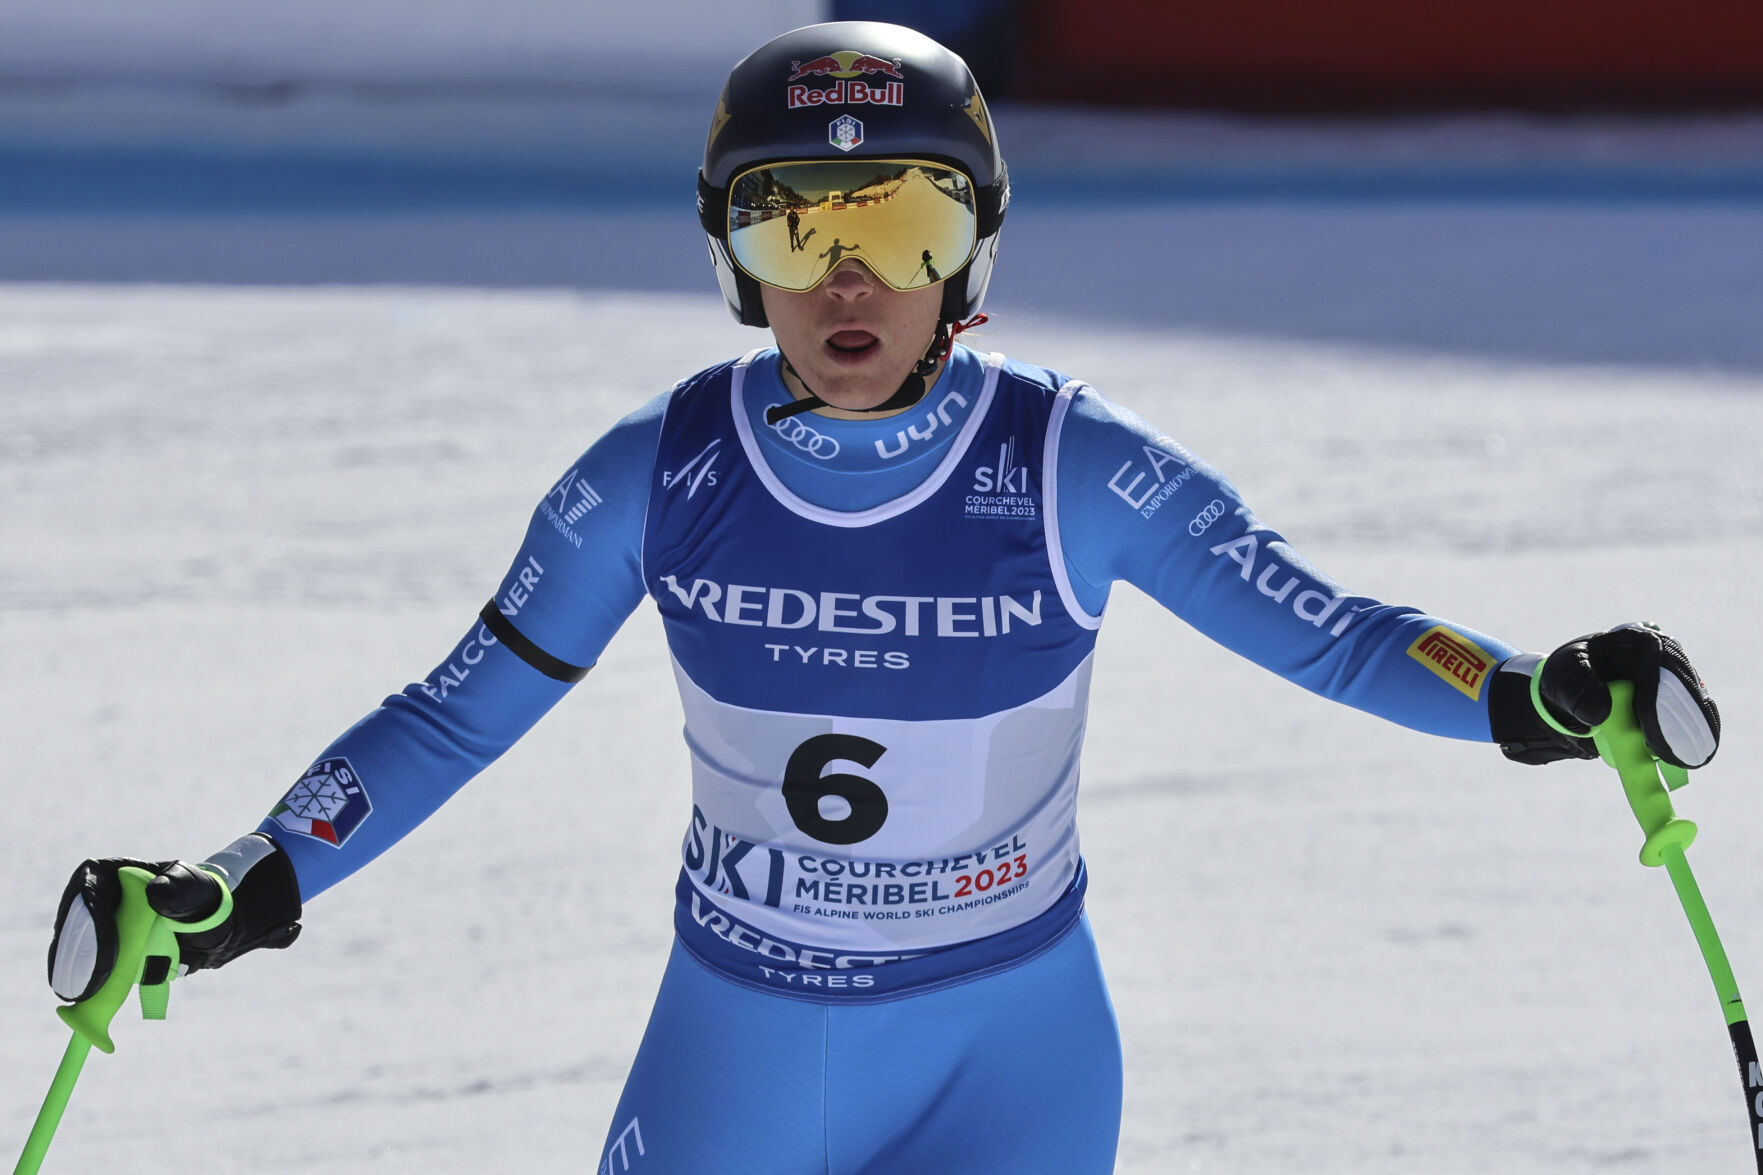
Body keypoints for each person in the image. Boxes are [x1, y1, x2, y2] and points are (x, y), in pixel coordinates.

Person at [44, 20, 1721, 1175]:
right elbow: (457, 708)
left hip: (1014, 1058)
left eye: (904, 222)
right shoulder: (663, 471)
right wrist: (238, 878)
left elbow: (1337, 628)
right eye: (795, 227)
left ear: (973, 254)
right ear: (732, 259)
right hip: (739, 1052)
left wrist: (1528, 690)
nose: (849, 280)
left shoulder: (1073, 467)